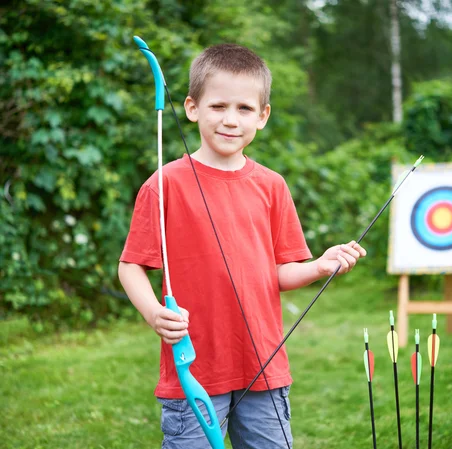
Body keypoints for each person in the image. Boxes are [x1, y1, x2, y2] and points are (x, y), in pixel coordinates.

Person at [118, 43, 367, 449]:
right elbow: (131, 266)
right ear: (192, 108)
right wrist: (153, 312)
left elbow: (279, 274)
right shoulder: (164, 185)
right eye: (218, 107)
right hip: (193, 369)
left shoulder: (272, 186)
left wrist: (320, 266)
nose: (230, 120)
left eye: (244, 109)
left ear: (263, 116)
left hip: (263, 368)